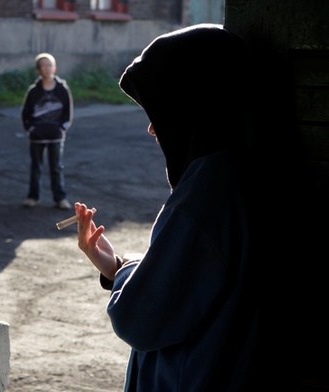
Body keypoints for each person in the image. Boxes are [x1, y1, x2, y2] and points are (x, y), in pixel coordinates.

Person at [74, 24, 300, 391]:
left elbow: (141, 318)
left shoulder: (206, 196)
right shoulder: (242, 173)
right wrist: (115, 266)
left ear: (192, 103)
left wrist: (127, 271)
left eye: (161, 109)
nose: (152, 128)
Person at [21, 52, 73, 210]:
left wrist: (62, 128)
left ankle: (60, 198)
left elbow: (67, 113)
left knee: (56, 168)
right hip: (37, 137)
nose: (47, 68)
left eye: (49, 65)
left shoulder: (62, 90)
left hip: (55, 137)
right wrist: (31, 129)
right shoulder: (33, 91)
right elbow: (26, 114)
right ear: (38, 70)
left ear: (54, 67)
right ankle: (33, 197)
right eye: (43, 65)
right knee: (36, 167)